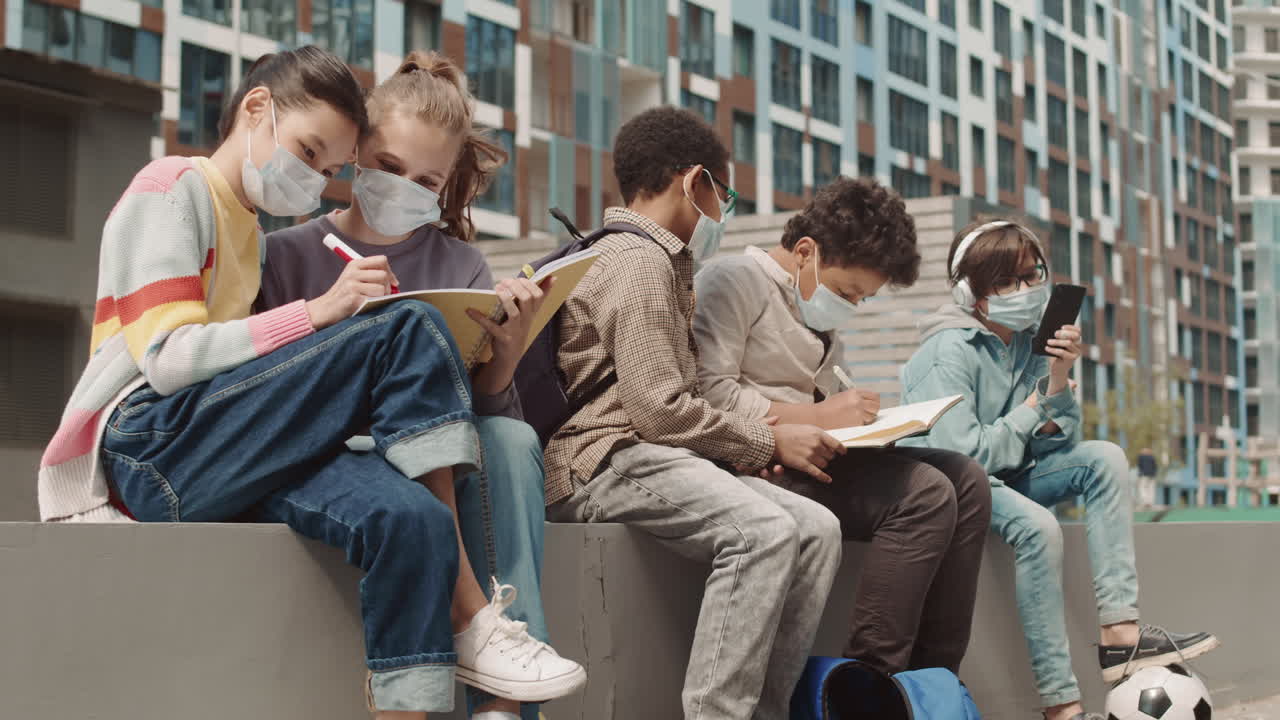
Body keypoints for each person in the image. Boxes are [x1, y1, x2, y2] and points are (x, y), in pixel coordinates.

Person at [37, 46, 544, 719]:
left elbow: (253, 387)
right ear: (256, 108)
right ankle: (472, 618)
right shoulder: (169, 187)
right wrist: (322, 314)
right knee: (405, 327)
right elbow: (166, 357)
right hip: (148, 442)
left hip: (228, 447)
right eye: (308, 153)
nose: (311, 179)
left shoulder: (246, 229)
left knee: (413, 520)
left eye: (326, 168)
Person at [255, 50, 583, 720]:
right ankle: (489, 663)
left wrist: (506, 353)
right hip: (336, 454)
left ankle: (502, 699)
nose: (402, 187)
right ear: (356, 154)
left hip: (440, 455)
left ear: (446, 186)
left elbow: (487, 416)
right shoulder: (288, 254)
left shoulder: (458, 260)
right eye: (387, 168)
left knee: (513, 436)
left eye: (424, 179)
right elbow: (263, 391)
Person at [543, 106, 845, 720]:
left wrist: (741, 450)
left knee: (818, 530)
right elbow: (659, 412)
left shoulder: (659, 259)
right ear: (694, 180)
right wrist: (766, 445)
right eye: (722, 192)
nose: (722, 210)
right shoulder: (638, 260)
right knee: (761, 532)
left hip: (652, 457)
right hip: (602, 458)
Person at [899, 219, 1220, 720]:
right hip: (955, 484)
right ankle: (1062, 707)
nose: (1024, 291)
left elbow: (1060, 441)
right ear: (970, 293)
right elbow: (967, 459)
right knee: (1039, 529)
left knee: (1105, 457)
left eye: (1032, 276)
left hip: (1011, 475)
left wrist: (1058, 378)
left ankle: (1121, 635)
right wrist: (1030, 410)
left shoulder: (1032, 344)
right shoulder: (946, 352)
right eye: (1005, 282)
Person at [691, 176, 991, 678]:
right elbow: (708, 393)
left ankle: (934, 683)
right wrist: (820, 415)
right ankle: (873, 686)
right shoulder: (733, 280)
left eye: (861, 300)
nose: (851, 307)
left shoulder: (814, 310)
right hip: (756, 463)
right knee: (925, 494)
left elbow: (818, 404)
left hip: (817, 455)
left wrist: (866, 421)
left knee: (967, 479)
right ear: (806, 251)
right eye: (849, 292)